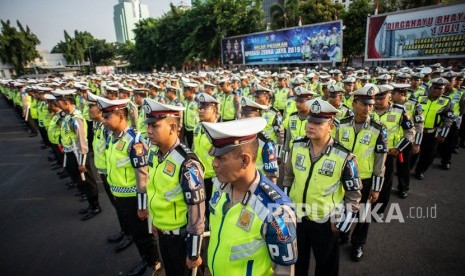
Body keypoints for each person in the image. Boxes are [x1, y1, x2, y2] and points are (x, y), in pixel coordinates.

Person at [203, 117, 297, 276]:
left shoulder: (276, 211)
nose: (214, 164)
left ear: (245, 160)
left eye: (221, 158)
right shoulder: (220, 187)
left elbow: (283, 272)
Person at [284, 98, 362, 276]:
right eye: (310, 121)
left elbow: (354, 194)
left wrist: (342, 224)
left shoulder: (344, 157)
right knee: (297, 263)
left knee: (326, 266)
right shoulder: (297, 146)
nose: (311, 126)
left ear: (331, 126)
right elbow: (288, 177)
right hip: (298, 218)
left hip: (326, 222)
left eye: (318, 123)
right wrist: (287, 208)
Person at [97, 97, 159, 276]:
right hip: (120, 195)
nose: (104, 121)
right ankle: (145, 259)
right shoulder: (111, 137)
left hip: (134, 199)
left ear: (120, 115)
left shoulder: (135, 141)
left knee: (143, 234)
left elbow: (142, 176)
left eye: (108, 117)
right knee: (135, 233)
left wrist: (142, 206)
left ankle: (153, 262)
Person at [143, 98, 205, 276]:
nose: (148, 131)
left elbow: (197, 212)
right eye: (148, 126)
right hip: (164, 233)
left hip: (181, 239)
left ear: (172, 127)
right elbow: (156, 190)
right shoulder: (155, 154)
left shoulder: (187, 163)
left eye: (155, 126)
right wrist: (154, 220)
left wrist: (193, 252)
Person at [335, 84, 388, 262]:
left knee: (363, 215)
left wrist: (376, 187)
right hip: (341, 178)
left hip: (364, 180)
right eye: (363, 104)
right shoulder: (340, 125)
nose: (368, 108)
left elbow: (381, 161)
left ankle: (358, 244)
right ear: (354, 104)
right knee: (342, 209)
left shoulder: (378, 128)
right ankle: (343, 234)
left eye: (370, 105)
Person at [54, 89, 101, 220]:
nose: (58, 105)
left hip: (78, 155)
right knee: (80, 181)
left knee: (87, 181)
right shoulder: (67, 116)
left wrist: (82, 162)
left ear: (67, 102)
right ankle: (90, 204)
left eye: (60, 102)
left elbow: (82, 141)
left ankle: (95, 206)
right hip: (70, 153)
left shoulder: (76, 118)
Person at [372, 84, 414, 214]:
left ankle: (379, 210)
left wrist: (398, 148)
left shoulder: (399, 111)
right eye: (375, 99)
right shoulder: (368, 109)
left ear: (389, 97)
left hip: (388, 154)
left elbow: (410, 132)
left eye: (381, 99)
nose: (377, 102)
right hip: (368, 153)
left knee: (385, 183)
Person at [414, 78, 454, 180]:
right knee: (412, 152)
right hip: (417, 131)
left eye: (440, 89)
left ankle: (420, 171)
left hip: (432, 132)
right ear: (430, 88)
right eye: (434, 88)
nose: (436, 91)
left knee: (428, 155)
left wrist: (443, 135)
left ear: (443, 90)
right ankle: (408, 167)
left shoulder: (446, 101)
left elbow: (448, 120)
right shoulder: (420, 98)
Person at [390, 84, 424, 198]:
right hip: (391, 142)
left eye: (393, 93)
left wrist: (417, 143)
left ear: (402, 94)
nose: (391, 95)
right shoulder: (390, 106)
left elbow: (419, 125)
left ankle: (403, 188)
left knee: (404, 167)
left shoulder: (414, 105)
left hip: (405, 142)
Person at [239, 96, 279, 183]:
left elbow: (272, 175)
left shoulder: (266, 143)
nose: (243, 119)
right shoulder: (237, 137)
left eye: (248, 116)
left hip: (257, 186)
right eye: (242, 115)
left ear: (258, 118)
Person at [182, 82, 199, 148]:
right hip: (186, 129)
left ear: (191, 91)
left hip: (194, 130)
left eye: (186, 91)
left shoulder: (197, 101)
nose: (184, 92)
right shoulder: (185, 101)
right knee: (188, 147)